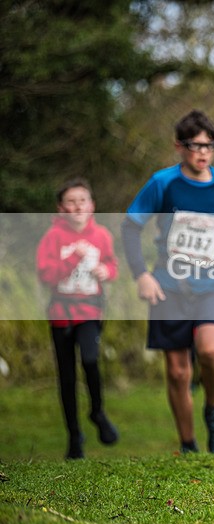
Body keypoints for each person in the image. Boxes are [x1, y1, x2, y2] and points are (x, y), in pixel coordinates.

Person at [121, 110, 214, 454]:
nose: (203, 152)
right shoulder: (163, 183)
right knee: (178, 372)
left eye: (209, 146)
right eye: (195, 145)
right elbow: (131, 226)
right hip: (170, 286)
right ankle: (188, 444)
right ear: (179, 146)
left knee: (210, 349)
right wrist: (141, 275)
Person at [36, 179, 119, 459]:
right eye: (70, 202)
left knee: (90, 359)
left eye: (82, 200)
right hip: (60, 314)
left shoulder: (102, 235)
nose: (77, 206)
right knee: (67, 376)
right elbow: (46, 276)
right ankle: (75, 437)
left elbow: (111, 264)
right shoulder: (53, 238)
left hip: (90, 312)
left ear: (92, 205)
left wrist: (106, 271)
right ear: (61, 209)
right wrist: (74, 259)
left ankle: (97, 412)